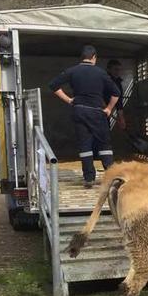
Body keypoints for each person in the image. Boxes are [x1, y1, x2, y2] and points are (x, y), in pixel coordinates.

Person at [49, 45, 120, 188]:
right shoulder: (100, 73)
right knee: (104, 145)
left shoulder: (72, 71)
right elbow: (116, 93)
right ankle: (111, 177)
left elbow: (53, 85)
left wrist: (69, 100)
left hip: (79, 111)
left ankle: (89, 178)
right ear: (94, 57)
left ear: (82, 57)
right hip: (97, 112)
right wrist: (108, 109)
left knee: (85, 145)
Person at [105, 59, 127, 131]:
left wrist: (121, 118)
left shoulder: (118, 83)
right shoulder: (104, 81)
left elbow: (119, 102)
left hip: (106, 113)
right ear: (109, 70)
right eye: (115, 69)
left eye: (119, 70)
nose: (118, 72)